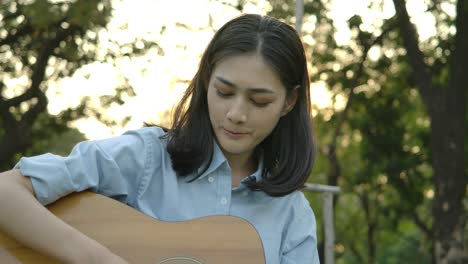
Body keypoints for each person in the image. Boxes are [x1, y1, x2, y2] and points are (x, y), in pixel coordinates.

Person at [0, 14, 319, 263]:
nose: (236, 113)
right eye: (224, 92)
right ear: (206, 80)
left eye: (259, 101)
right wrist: (100, 259)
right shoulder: (146, 157)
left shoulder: (292, 215)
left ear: (288, 103)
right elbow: (6, 191)